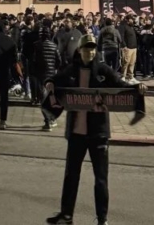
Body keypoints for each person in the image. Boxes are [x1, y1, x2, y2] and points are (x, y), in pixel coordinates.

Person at [45, 34, 144, 225]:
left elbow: (120, 85)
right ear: (79, 50)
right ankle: (66, 215)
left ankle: (102, 218)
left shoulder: (103, 70)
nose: (89, 52)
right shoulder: (71, 70)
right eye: (86, 48)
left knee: (101, 179)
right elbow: (54, 79)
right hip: (76, 133)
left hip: (98, 133)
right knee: (71, 176)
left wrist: (136, 88)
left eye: (92, 48)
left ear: (95, 50)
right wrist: (49, 83)